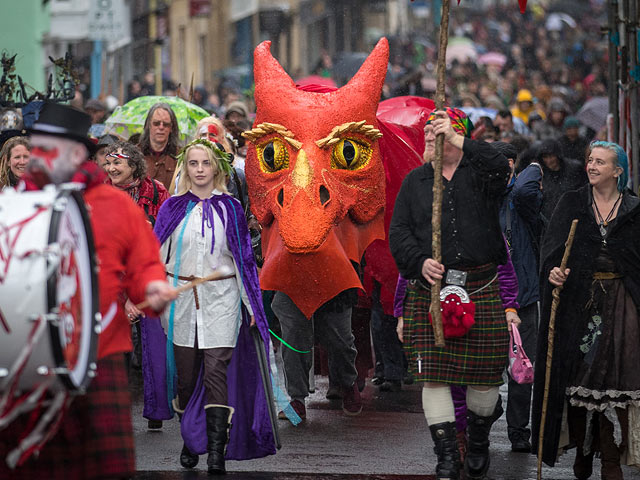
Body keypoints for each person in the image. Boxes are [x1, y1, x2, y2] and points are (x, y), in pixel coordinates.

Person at [0, 102, 174, 480]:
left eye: (52, 149)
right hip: (31, 356)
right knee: (33, 465)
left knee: (104, 469)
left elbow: (144, 263)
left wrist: (154, 287)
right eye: (38, 148)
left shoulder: (116, 205)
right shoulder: (14, 206)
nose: (41, 158)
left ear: (79, 154)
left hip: (102, 349)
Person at [390, 107, 511, 480]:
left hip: (481, 284)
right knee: (434, 376)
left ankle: (477, 440)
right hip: (431, 290)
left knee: (486, 375)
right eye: (426, 135)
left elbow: (502, 163)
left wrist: (460, 140)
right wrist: (420, 261)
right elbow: (399, 233)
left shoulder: (482, 175)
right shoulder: (415, 182)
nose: (429, 139)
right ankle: (445, 455)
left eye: (437, 133)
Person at [145, 139, 276, 474]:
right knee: (186, 379)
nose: (200, 170)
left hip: (222, 301)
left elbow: (244, 261)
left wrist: (251, 307)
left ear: (216, 168)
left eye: (205, 164)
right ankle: (192, 439)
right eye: (193, 164)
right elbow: (155, 257)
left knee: (217, 372)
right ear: (185, 168)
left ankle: (216, 451)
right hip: (182, 302)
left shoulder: (231, 208)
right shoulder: (173, 208)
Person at [532, 141, 640, 479]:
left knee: (619, 381)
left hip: (623, 307)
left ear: (617, 170)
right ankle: (583, 449)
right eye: (590, 160)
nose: (592, 166)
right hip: (580, 306)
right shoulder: (573, 203)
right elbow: (551, 252)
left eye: (601, 162)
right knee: (578, 380)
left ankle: (610, 458)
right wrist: (554, 272)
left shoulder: (634, 209)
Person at [494, 141, 543, 453]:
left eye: (505, 165)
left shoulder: (521, 199)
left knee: (522, 370)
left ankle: (518, 431)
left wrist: (531, 165)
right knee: (485, 369)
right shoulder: (482, 200)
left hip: (523, 297)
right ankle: (486, 415)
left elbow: (526, 189)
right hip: (489, 298)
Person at [538, 138, 588, 222]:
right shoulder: (541, 175)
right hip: (549, 221)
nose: (549, 160)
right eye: (545, 157)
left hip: (573, 218)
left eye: (551, 156)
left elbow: (585, 192)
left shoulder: (574, 169)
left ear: (558, 155)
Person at [138, 102, 180, 191]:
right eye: (156, 123)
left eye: (166, 124)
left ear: (172, 128)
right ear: (148, 125)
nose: (161, 127)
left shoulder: (181, 158)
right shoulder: (135, 154)